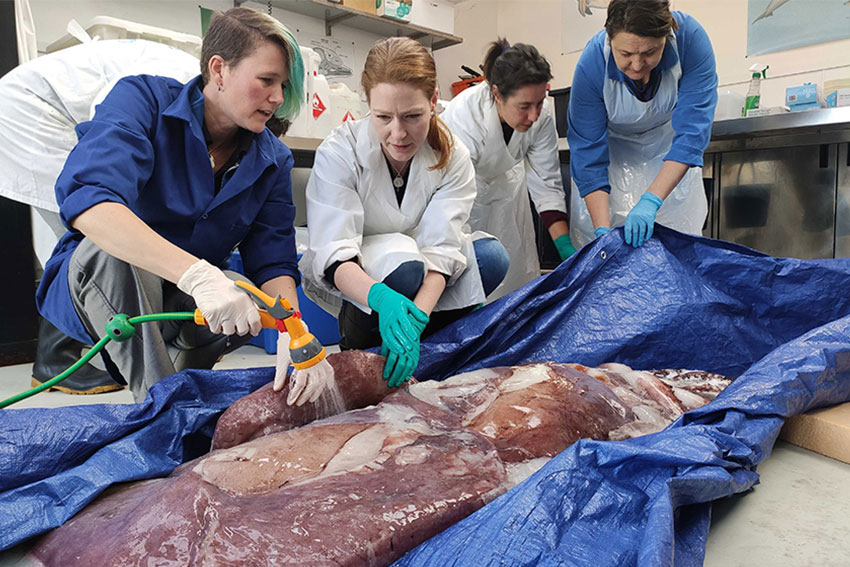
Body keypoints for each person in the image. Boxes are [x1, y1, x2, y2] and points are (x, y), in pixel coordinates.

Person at [35, 7, 328, 404]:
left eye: (283, 85)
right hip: (110, 286)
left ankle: (181, 390)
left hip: (185, 304)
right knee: (111, 253)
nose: (278, 97)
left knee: (243, 288)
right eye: (266, 81)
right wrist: (198, 276)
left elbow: (273, 262)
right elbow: (91, 199)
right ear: (219, 69)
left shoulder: (273, 159)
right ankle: (164, 407)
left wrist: (296, 333)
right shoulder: (143, 100)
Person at [300, 37, 509, 387]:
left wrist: (416, 321)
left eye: (412, 117)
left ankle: (422, 341)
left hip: (421, 266)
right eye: (383, 117)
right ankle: (363, 343)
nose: (397, 133)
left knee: (491, 257)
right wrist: (382, 300)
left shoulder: (453, 156)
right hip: (365, 277)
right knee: (404, 264)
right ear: (368, 104)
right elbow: (335, 253)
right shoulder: (340, 151)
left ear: (432, 101)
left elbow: (442, 247)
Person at [0, 39, 200, 395]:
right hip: (34, 116)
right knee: (93, 224)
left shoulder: (194, 82)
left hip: (50, 110)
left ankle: (68, 354)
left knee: (106, 226)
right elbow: (109, 119)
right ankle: (55, 358)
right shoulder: (177, 80)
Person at [567, 0, 718, 248]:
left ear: (667, 36)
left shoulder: (689, 40)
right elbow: (587, 152)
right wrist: (603, 231)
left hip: (670, 157)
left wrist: (651, 201)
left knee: (673, 245)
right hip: (613, 159)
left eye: (650, 52)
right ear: (609, 39)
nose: (637, 65)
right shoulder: (592, 62)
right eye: (625, 54)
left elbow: (692, 132)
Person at [442, 39, 572, 300]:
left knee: (516, 281)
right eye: (524, 107)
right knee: (477, 282)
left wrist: (568, 253)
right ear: (497, 94)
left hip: (510, 191)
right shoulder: (464, 118)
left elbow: (546, 183)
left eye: (539, 102)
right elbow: (452, 203)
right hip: (465, 201)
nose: (534, 115)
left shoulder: (540, 114)